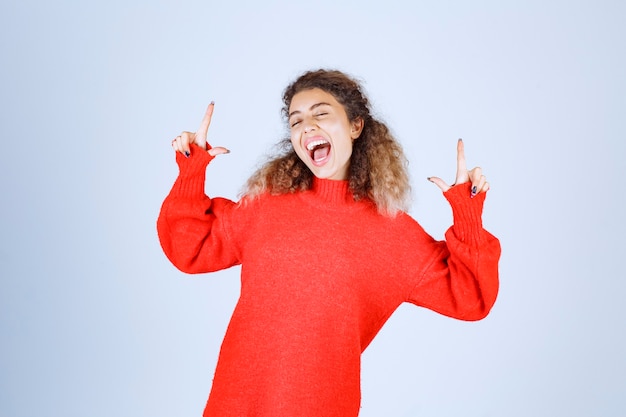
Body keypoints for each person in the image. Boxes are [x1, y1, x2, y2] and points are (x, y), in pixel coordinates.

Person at [158, 69, 500, 417]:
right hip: (234, 405)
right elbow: (190, 248)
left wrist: (468, 215)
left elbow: (470, 296)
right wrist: (191, 172)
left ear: (355, 126)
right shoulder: (266, 205)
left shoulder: (393, 234)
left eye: (321, 113)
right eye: (296, 121)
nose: (307, 127)